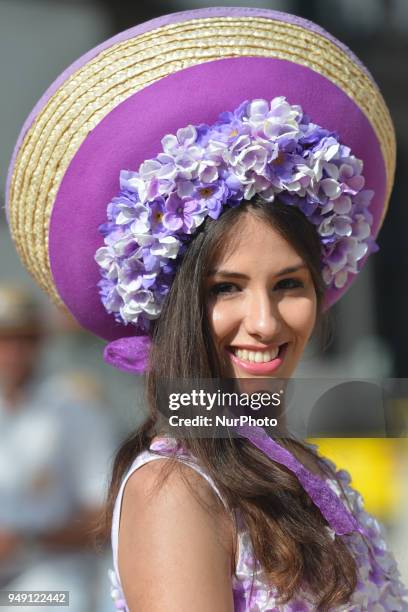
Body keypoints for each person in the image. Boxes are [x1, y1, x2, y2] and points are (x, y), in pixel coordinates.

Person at [5, 7, 408, 610]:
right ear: (173, 306)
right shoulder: (177, 488)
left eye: (289, 285)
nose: (266, 322)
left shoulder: (290, 464)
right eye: (226, 288)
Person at [0, 285, 115, 611]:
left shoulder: (74, 408)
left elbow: (105, 517)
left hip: (51, 581)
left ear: (38, 343)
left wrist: (26, 541)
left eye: (22, 339)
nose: (11, 352)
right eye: (4, 340)